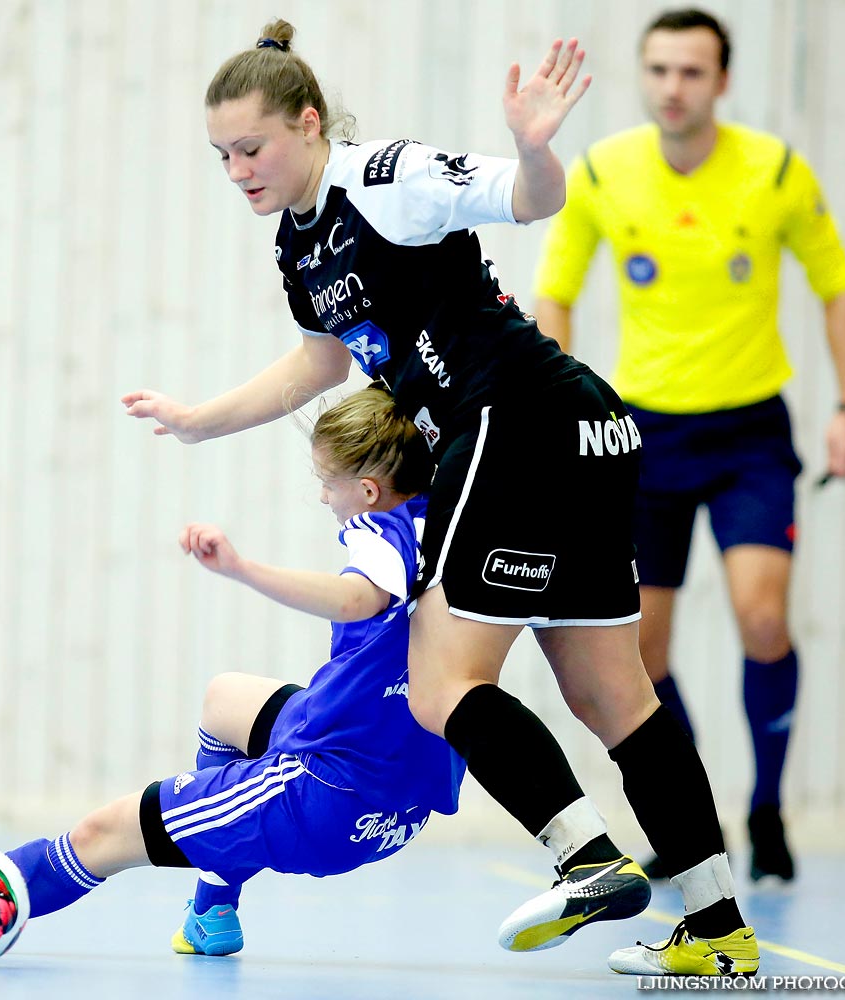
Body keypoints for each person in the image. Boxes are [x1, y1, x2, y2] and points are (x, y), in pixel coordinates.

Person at [122, 18, 758, 978]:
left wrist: (534, 150)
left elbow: (525, 199)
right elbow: (321, 362)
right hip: (585, 429)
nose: (237, 170)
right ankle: (720, 932)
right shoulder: (300, 247)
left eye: (251, 148)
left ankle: (586, 859)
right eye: (221, 156)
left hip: (512, 424)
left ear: (306, 122)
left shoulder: (385, 182)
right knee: (611, 695)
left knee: (441, 683)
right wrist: (203, 420)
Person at [0, 387, 474, 960]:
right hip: (406, 779)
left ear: (365, 490)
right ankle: (212, 912)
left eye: (327, 484)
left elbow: (360, 598)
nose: (322, 497)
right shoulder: (449, 503)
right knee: (224, 700)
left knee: (102, 834)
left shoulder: (377, 534)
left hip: (330, 797)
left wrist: (240, 569)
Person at [531, 7, 845, 886]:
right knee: (643, 654)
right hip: (644, 438)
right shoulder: (604, 170)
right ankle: (696, 813)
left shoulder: (774, 172)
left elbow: (836, 287)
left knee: (762, 619)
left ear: (720, 81)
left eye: (691, 72)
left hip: (750, 429)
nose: (672, 87)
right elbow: (554, 294)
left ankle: (767, 808)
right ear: (643, 78)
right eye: (659, 71)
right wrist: (569, 406)